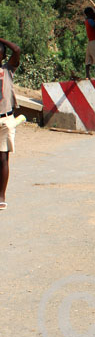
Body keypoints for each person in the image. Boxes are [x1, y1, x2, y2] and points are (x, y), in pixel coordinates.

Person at [0, 37, 21, 211]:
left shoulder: (8, 69)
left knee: (3, 158)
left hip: (5, 119)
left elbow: (17, 50)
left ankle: (1, 196)